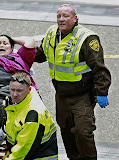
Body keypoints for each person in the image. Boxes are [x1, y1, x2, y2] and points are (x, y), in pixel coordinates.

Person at [35, 4, 111, 160]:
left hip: (82, 95)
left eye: (65, 16)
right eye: (58, 16)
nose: (61, 20)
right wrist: (20, 54)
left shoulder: (87, 39)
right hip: (61, 94)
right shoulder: (51, 34)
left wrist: (101, 92)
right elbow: (40, 54)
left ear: (75, 19)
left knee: (83, 132)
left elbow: (100, 69)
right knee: (66, 130)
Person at [4, 72, 58, 160]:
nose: (14, 94)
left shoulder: (33, 114)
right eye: (12, 90)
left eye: (19, 91)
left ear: (29, 90)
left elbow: (23, 150)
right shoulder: (22, 101)